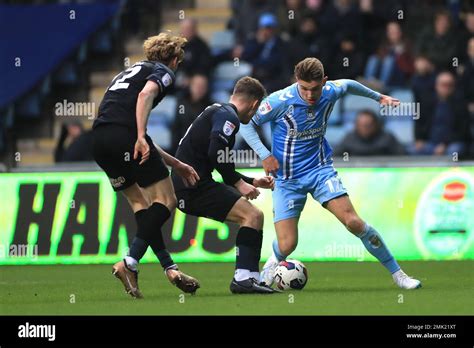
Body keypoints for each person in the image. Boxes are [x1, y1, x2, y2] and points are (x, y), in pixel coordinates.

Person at [240, 58, 422, 290]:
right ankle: (273, 262)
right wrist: (264, 154)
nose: (309, 94)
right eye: (304, 88)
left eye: (315, 88)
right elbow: (246, 124)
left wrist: (379, 97)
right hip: (286, 180)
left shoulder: (331, 91)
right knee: (288, 244)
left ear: (324, 82)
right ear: (297, 81)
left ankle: (399, 275)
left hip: (320, 170)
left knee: (354, 222)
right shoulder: (278, 101)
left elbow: (349, 84)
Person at [92, 33, 201, 299]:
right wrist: (140, 136)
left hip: (100, 140)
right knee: (166, 200)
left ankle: (169, 267)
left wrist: (176, 163)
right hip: (126, 138)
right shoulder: (163, 72)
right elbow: (146, 95)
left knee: (142, 205)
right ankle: (129, 262)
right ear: (174, 60)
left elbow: (134, 128)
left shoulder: (127, 72)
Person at [171, 77, 277, 294]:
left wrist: (251, 181)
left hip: (189, 184)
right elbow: (216, 152)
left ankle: (249, 278)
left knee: (252, 217)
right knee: (252, 216)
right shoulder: (229, 117)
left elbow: (215, 157)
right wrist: (238, 183)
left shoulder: (218, 111)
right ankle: (244, 279)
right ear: (255, 104)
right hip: (193, 186)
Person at [408, 71, 469, 156]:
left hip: (451, 144)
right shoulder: (427, 103)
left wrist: (444, 144)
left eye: (450, 85)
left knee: (455, 150)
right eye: (443, 85)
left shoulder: (460, 105)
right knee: (413, 149)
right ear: (436, 85)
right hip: (430, 143)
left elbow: (462, 131)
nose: (446, 88)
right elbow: (419, 122)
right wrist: (419, 139)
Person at [334, 109, 406, 156]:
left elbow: (403, 157)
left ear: (375, 125)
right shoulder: (349, 139)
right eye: (361, 125)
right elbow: (335, 158)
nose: (364, 129)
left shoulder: (387, 138)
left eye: (367, 125)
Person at [171, 74, 212, 154]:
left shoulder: (211, 106)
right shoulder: (182, 104)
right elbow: (176, 128)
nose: (200, 89)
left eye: (203, 86)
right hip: (183, 147)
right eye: (197, 86)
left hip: (203, 149)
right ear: (190, 86)